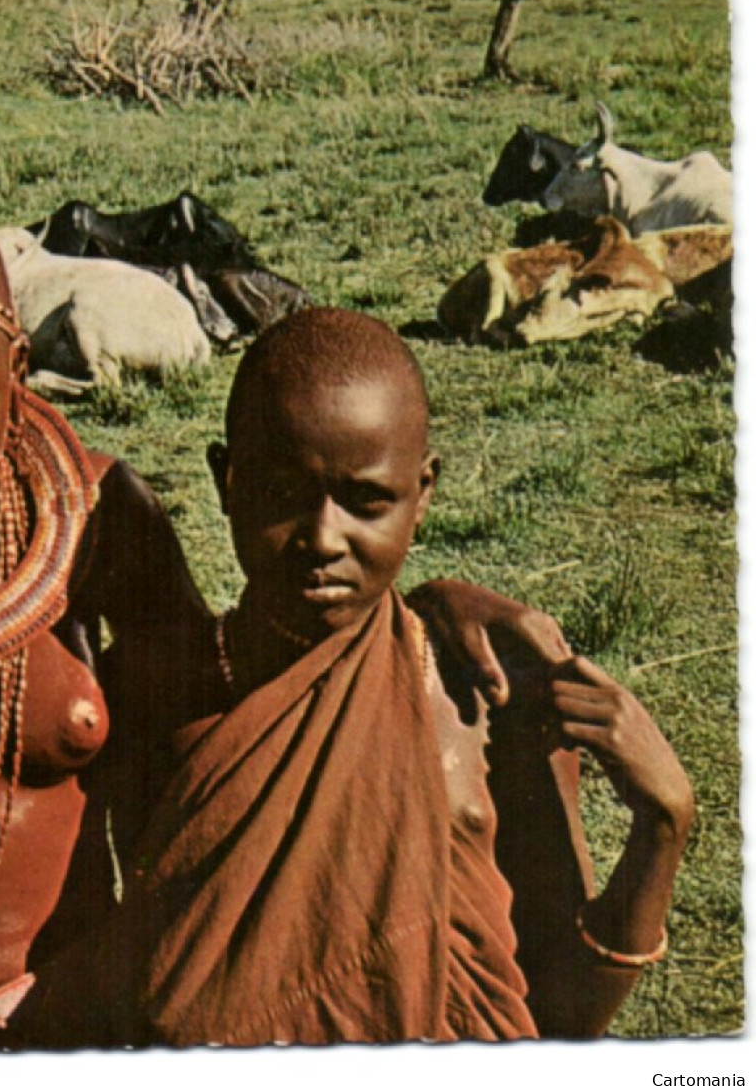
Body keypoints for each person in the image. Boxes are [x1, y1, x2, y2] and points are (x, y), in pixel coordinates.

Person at [0, 199, 563, 1054]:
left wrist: (419, 609)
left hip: (76, 1021)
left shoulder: (94, 524)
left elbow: (236, 716)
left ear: (13, 379)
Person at [125, 307, 694, 1045]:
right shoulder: (151, 692)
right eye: (280, 494)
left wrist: (662, 826)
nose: (322, 539)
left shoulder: (480, 695)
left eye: (366, 501)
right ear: (223, 480)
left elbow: (559, 1015)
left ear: (421, 492)